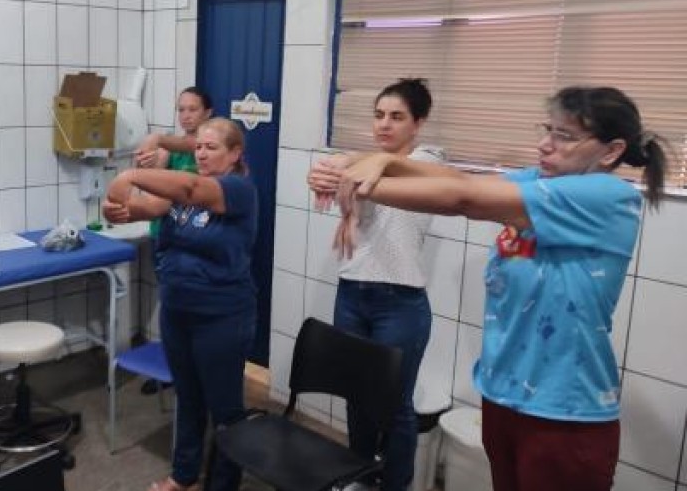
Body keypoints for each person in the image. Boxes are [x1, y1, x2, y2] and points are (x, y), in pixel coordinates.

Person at [325, 86, 667, 491]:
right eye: (547, 129)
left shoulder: (607, 196)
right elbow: (459, 179)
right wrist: (377, 160)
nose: (545, 144)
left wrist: (347, 180)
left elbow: (463, 198)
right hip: (503, 395)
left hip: (563, 412)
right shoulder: (540, 179)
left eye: (564, 136)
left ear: (611, 151)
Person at [104, 117, 256, 491]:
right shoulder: (184, 186)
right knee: (187, 397)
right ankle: (184, 477)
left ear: (235, 154)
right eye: (198, 147)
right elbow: (146, 208)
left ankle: (223, 485)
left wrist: (130, 176)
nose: (201, 154)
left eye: (212, 148)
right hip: (177, 309)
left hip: (220, 315)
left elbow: (189, 188)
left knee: (224, 407)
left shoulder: (237, 189)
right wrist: (117, 209)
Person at [307, 78, 442, 491]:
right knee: (357, 398)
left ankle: (396, 485)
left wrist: (345, 163)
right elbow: (355, 173)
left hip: (399, 302)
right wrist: (328, 172)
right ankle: (360, 478)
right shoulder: (362, 166)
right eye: (379, 115)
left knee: (395, 407)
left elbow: (387, 171)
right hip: (352, 294)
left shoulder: (427, 160)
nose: (384, 124)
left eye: (397, 117)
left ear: (418, 123)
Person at [134, 86, 213, 395]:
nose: (186, 115)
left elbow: (188, 145)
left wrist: (158, 139)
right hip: (163, 236)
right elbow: (154, 176)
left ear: (208, 113)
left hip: (190, 241)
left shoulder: (207, 149)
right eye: (181, 109)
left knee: (191, 308)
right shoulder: (172, 147)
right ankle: (172, 368)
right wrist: (146, 163)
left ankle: (192, 372)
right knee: (171, 305)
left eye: (193, 109)